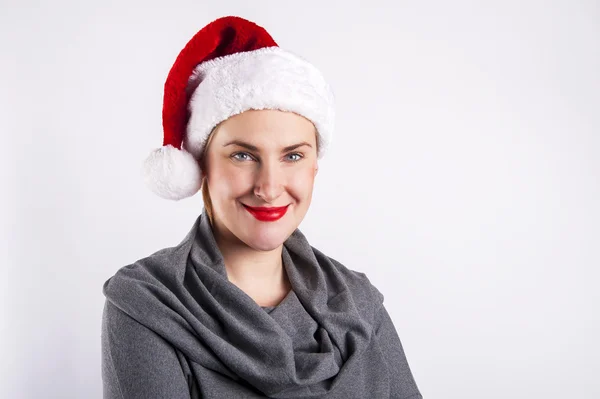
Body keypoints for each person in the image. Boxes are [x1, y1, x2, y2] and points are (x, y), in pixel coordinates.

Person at [101, 15, 423, 399]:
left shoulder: (358, 302)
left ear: (314, 167)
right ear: (202, 166)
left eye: (292, 156)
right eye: (242, 155)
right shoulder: (148, 304)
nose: (269, 188)